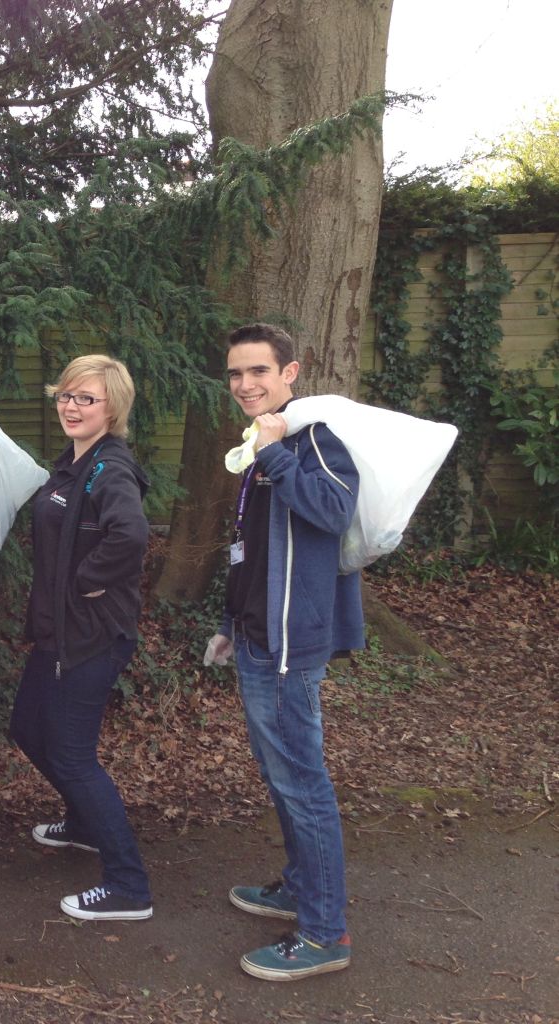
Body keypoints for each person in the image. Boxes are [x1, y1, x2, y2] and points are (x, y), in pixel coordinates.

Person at [207, 322, 364, 981]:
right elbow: (253, 550)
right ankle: (300, 887)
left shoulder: (314, 439)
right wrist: (227, 619)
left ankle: (326, 934)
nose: (244, 385)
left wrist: (275, 453)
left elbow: (332, 510)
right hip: (253, 638)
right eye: (236, 374)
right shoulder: (261, 443)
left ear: (290, 373)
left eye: (258, 373)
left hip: (290, 647)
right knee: (282, 778)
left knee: (303, 783)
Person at [9, 355, 154, 922]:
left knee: (72, 756)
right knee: (26, 726)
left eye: (85, 399)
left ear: (112, 407)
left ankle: (128, 886)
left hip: (92, 637)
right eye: (66, 396)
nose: (71, 406)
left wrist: (85, 583)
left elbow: (131, 535)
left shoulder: (109, 468)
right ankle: (84, 824)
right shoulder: (74, 463)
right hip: (58, 635)